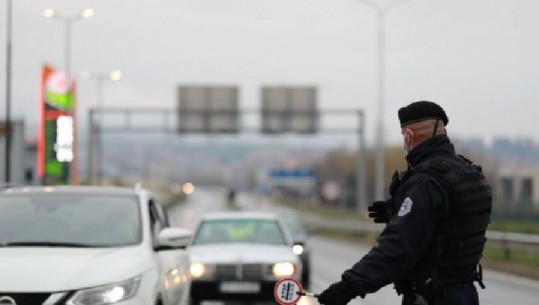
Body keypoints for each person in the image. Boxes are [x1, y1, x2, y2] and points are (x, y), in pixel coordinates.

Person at [317, 101, 492, 305]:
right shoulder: (468, 173)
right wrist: (397, 211)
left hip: (431, 297)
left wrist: (347, 287)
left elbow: (397, 248)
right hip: (465, 293)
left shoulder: (426, 182)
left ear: (409, 135)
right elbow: (447, 225)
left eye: (403, 137)